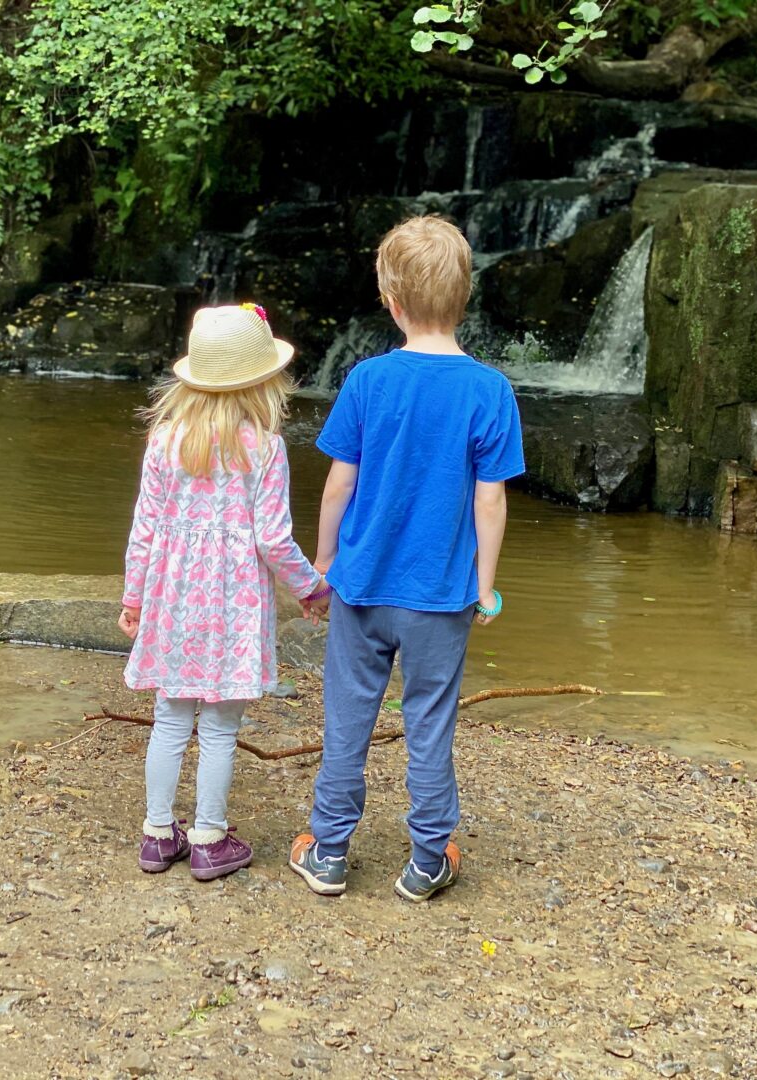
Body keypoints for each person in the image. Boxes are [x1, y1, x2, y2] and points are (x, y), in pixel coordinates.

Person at [290, 216, 524, 902]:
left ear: (391, 302)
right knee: (429, 723)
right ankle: (426, 860)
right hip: (439, 597)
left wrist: (325, 563)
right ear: (465, 298)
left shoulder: (368, 380)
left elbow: (340, 483)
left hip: (362, 588)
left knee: (348, 719)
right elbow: (491, 504)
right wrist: (485, 587)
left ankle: (328, 852)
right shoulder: (490, 391)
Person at [120, 303, 329, 882]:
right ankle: (210, 839)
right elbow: (273, 538)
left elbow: (145, 526)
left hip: (173, 598)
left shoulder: (165, 439)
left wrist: (134, 598)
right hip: (232, 605)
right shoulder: (263, 446)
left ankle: (158, 835)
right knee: (218, 727)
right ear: (264, 383)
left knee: (169, 718)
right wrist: (311, 588)